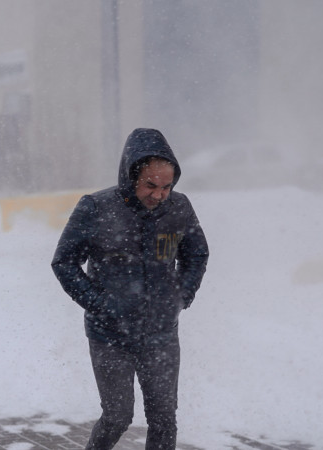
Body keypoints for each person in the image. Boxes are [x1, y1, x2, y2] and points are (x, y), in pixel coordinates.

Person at [51, 128, 209, 449]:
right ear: (131, 175)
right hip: (110, 335)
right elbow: (64, 262)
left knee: (164, 419)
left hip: (161, 334)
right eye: (151, 185)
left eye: (167, 186)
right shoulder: (96, 208)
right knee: (118, 417)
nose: (159, 194)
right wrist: (101, 304)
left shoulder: (178, 208)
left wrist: (181, 296)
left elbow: (197, 254)